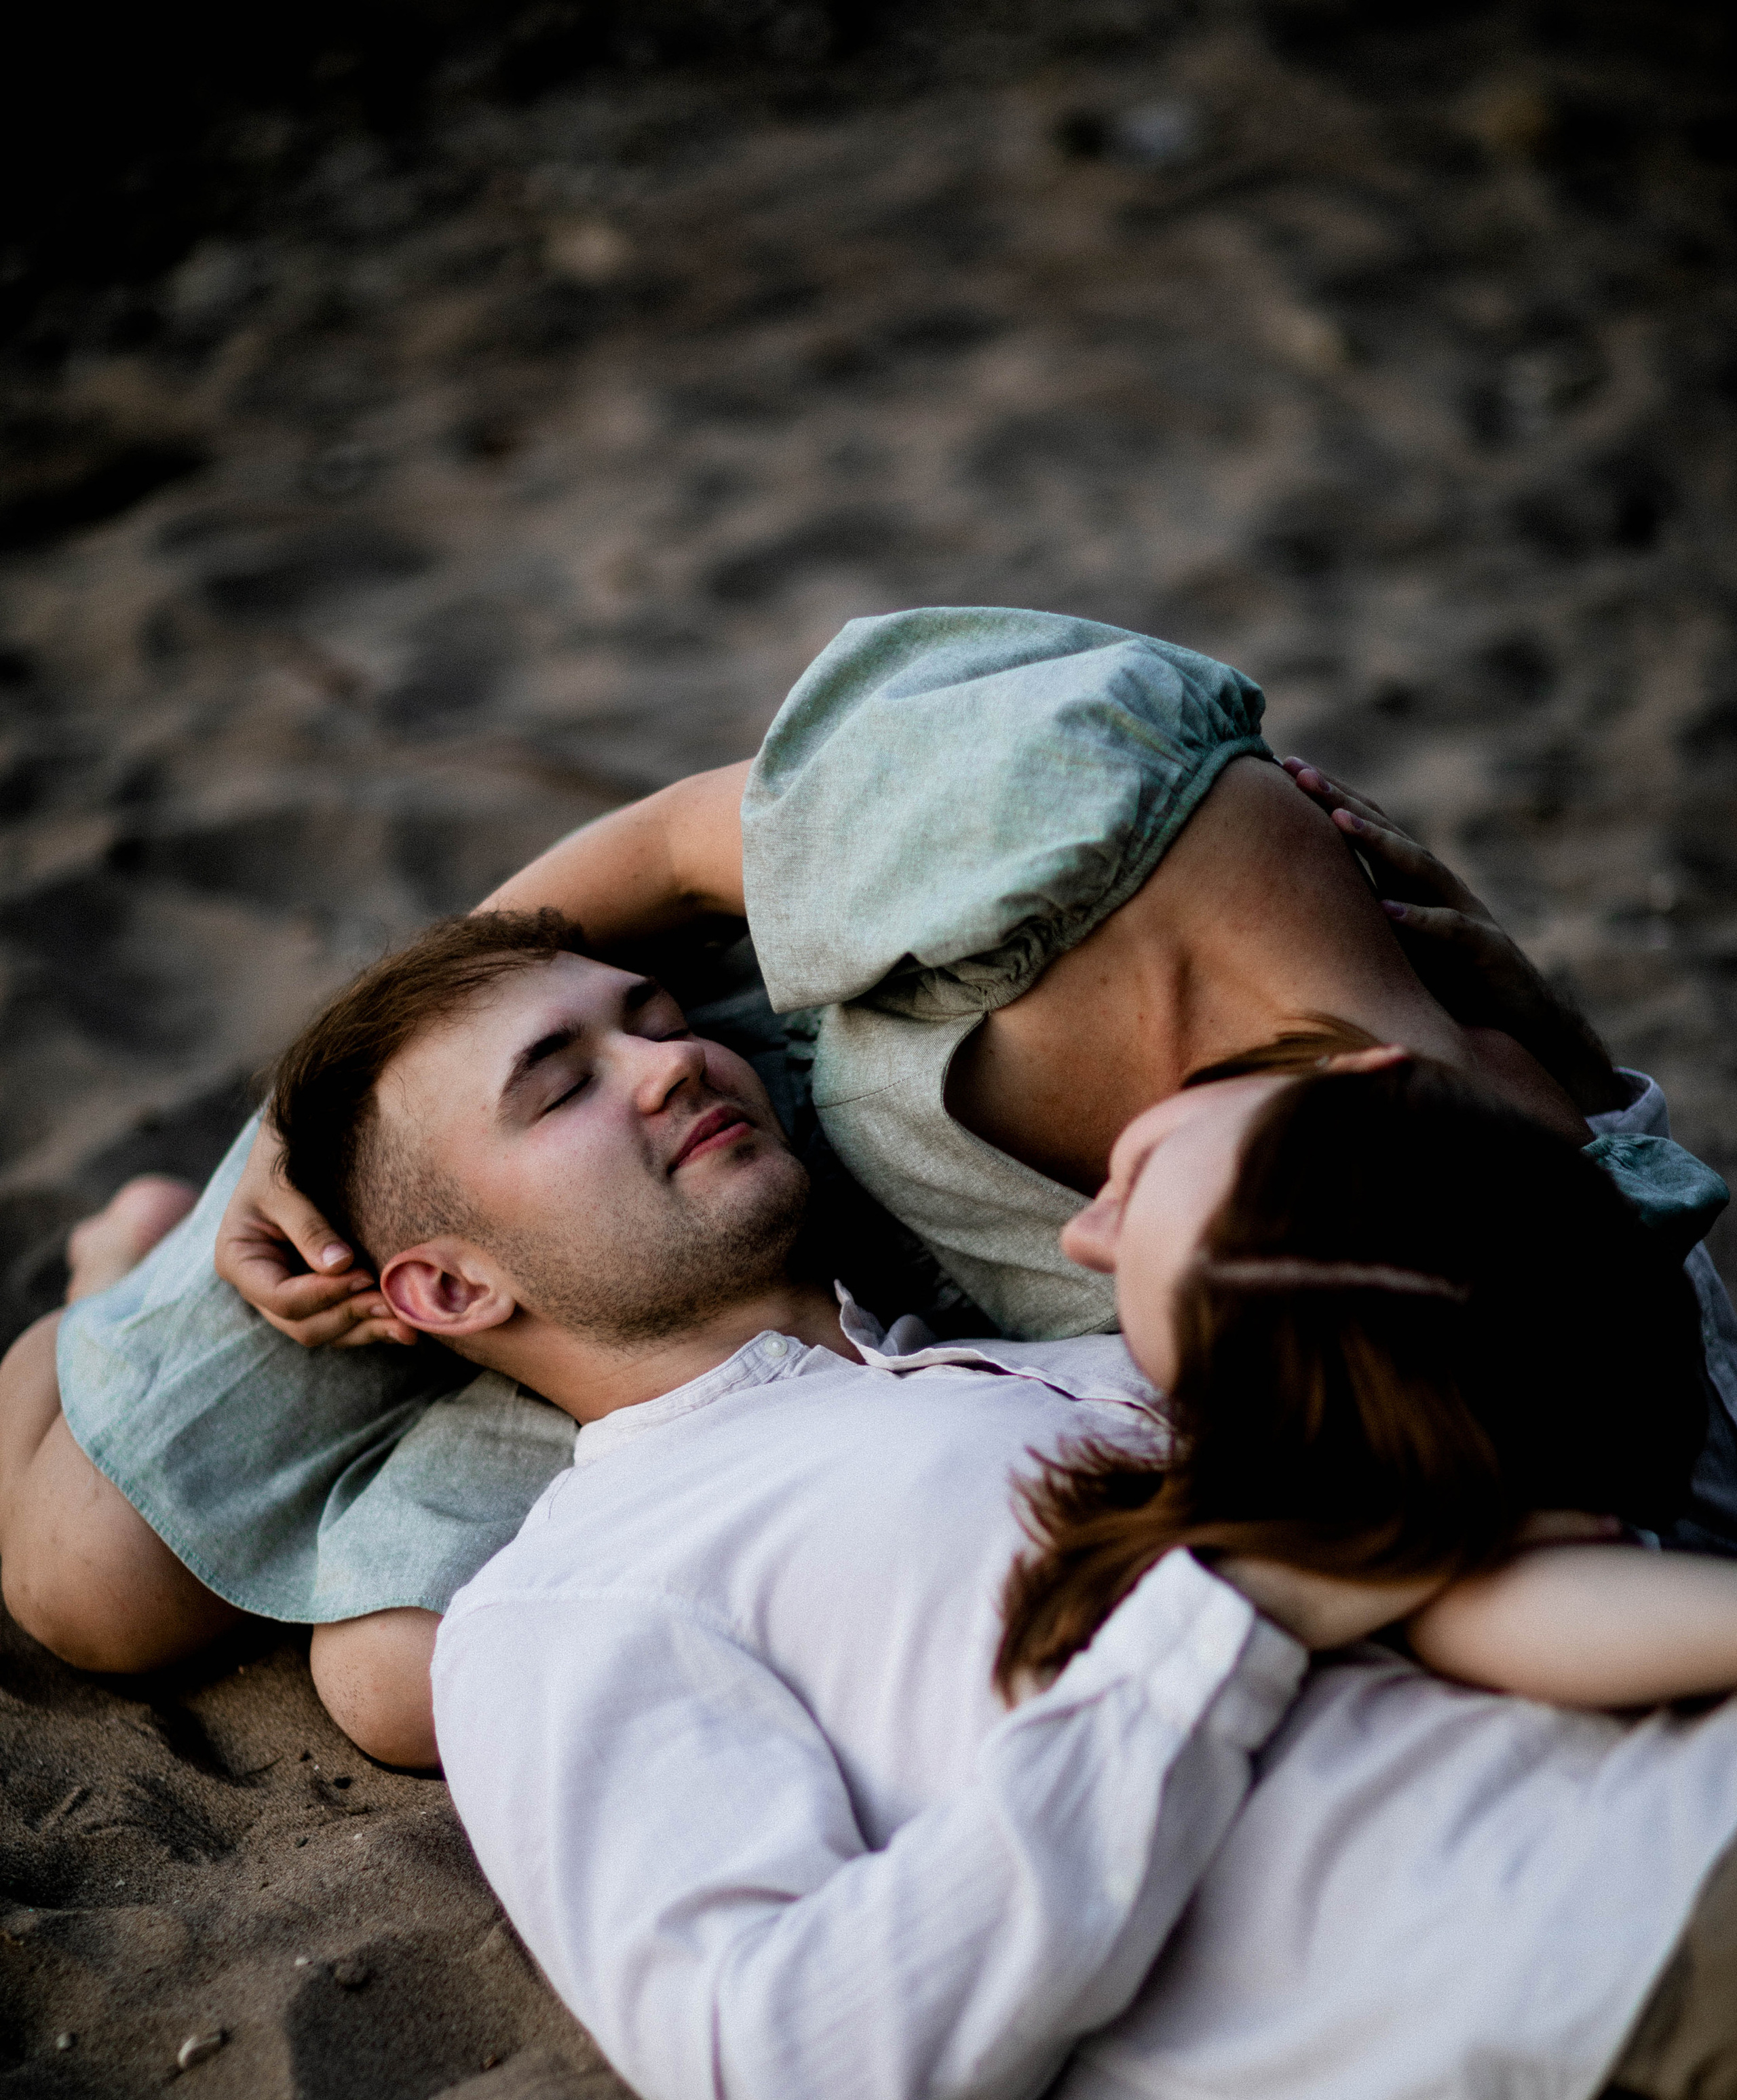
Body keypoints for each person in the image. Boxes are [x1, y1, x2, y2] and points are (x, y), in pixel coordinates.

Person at [195, 902, 1735, 2100]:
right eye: (560, 1084)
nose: (670, 1061)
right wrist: (1231, 1607)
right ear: (448, 1291)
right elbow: (803, 2090)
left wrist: (1535, 1056)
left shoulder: (1086, 1354)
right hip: (1603, 1986)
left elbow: (1601, 1440)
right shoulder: (572, 1598)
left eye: (657, 1015)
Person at [3, 611, 1732, 1759]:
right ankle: (113, 1268)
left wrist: (1565, 1063)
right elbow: (674, 853)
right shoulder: (1082, 806)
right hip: (630, 1104)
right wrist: (307, 1131)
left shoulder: (1450, 1255)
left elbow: (1577, 1490)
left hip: (782, 1301)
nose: (1083, 1229)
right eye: (1133, 1181)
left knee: (385, 1678)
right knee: (84, 1569)